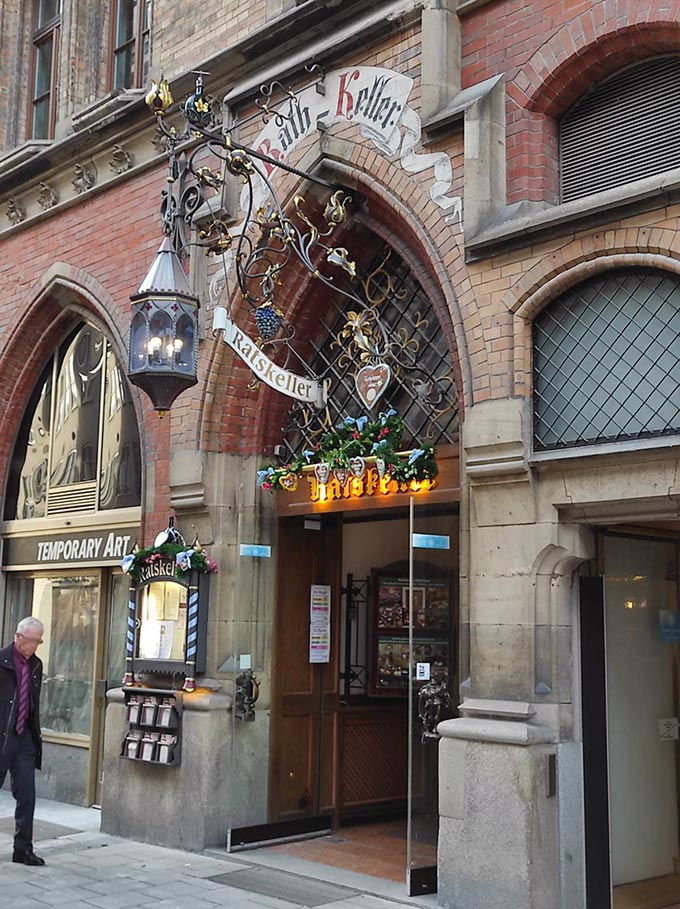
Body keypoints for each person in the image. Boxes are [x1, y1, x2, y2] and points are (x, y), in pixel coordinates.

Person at [0, 617, 45, 865]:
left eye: (39, 641)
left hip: (24, 739)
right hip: (1, 738)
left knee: (27, 795)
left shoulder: (36, 665)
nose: (35, 646)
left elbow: (33, 703)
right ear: (19, 638)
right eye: (32, 641)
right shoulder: (2, 662)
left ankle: (23, 849)